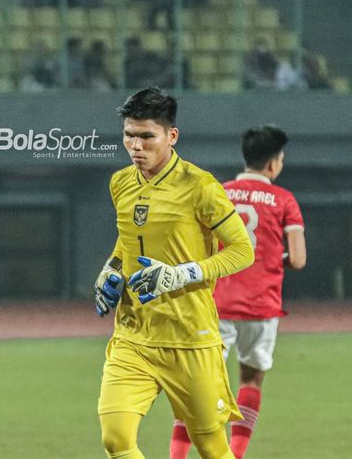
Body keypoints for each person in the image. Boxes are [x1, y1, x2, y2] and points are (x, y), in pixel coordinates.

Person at [94, 87, 255, 459]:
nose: (136, 146)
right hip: (134, 336)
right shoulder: (120, 183)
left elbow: (243, 250)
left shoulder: (199, 186)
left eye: (147, 136)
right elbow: (128, 241)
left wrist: (182, 274)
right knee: (115, 438)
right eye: (129, 136)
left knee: (212, 448)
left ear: (171, 136)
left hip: (189, 338)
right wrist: (110, 269)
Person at [169, 125, 307, 459]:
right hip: (261, 306)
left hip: (214, 304)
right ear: (273, 163)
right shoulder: (284, 200)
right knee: (250, 381)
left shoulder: (218, 193)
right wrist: (273, 261)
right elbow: (299, 259)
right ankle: (235, 454)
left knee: (197, 385)